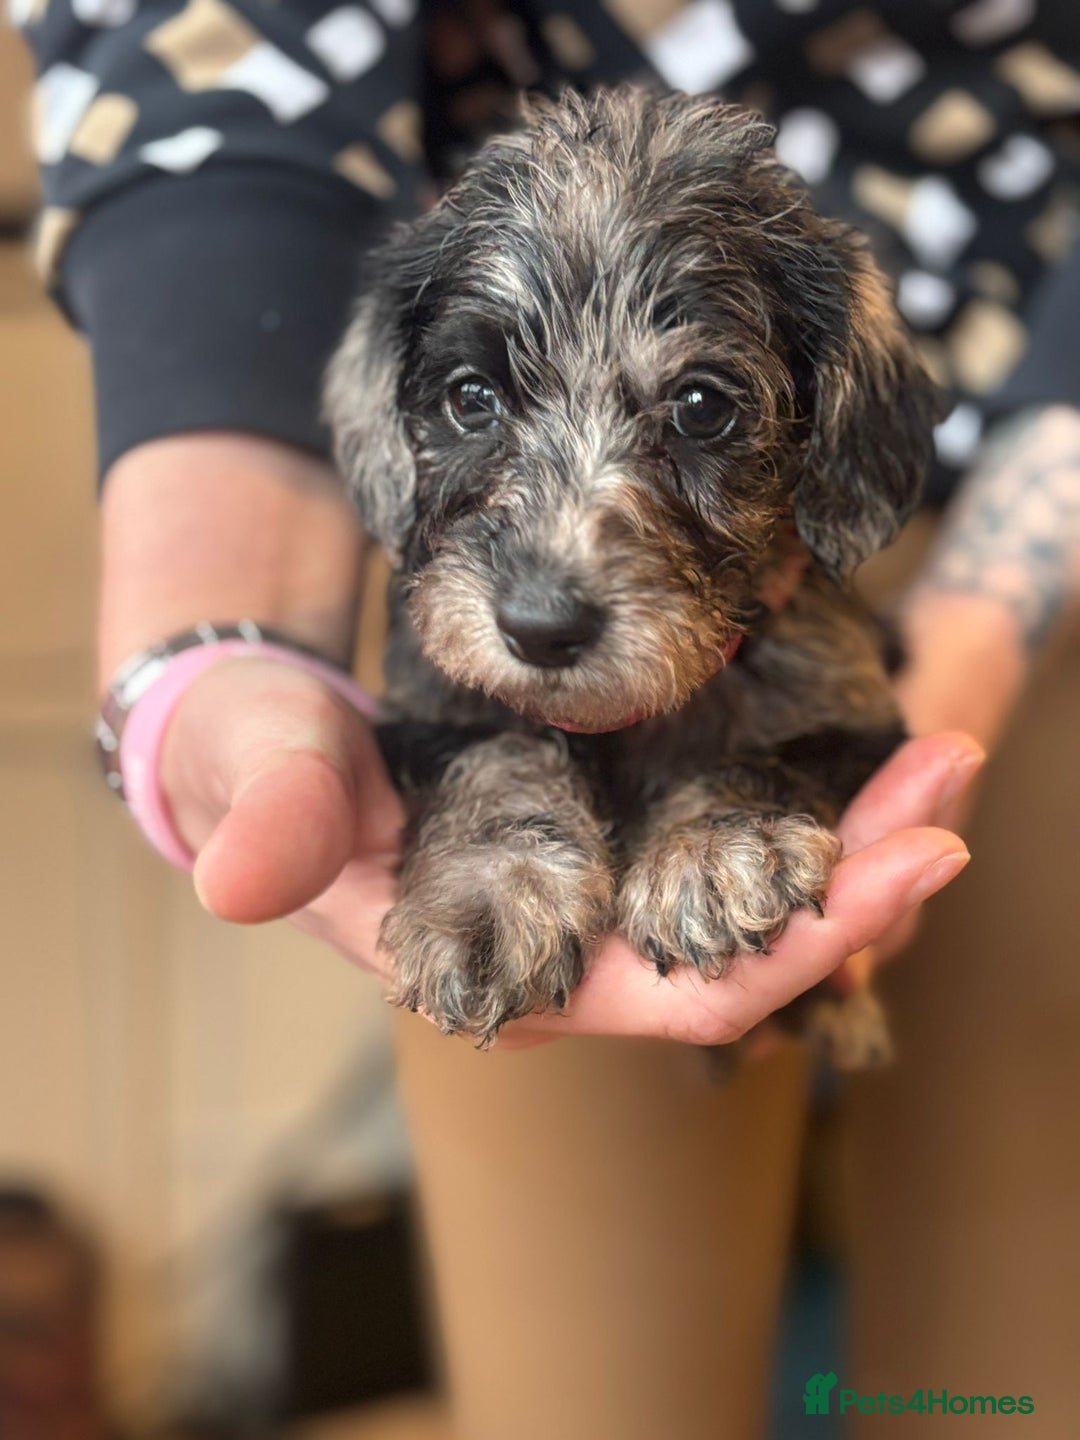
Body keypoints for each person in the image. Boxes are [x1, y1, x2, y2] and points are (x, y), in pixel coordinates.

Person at [19, 0, 1080, 1435]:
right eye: (470, 395)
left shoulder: (846, 404)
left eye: (699, 405)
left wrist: (919, 672)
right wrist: (212, 650)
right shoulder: (422, 447)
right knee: (588, 1380)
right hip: (478, 385)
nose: (551, 581)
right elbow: (194, 49)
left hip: (1006, 473)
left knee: (1005, 1356)